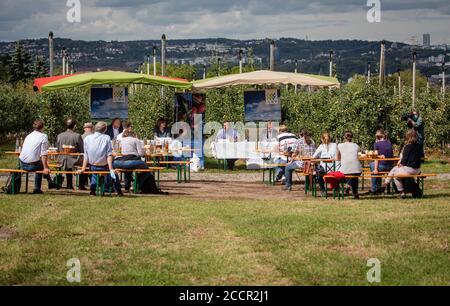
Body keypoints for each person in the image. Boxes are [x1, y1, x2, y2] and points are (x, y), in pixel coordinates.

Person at [81, 121, 123, 196]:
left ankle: (92, 190)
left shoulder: (87, 138)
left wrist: (83, 169)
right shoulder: (106, 137)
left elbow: (86, 156)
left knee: (94, 173)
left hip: (92, 165)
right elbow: (109, 155)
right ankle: (119, 191)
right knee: (114, 173)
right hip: (104, 166)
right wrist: (111, 169)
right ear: (105, 129)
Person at [382, 130, 422, 198]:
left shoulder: (407, 146)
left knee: (395, 175)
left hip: (409, 169)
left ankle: (401, 192)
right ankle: (386, 182)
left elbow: (404, 160)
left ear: (408, 137)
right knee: (395, 169)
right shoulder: (419, 146)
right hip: (417, 169)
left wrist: (400, 164)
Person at [19, 120, 54, 194]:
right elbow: (44, 154)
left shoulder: (28, 135)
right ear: (42, 127)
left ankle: (50, 182)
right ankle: (38, 187)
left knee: (39, 163)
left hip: (22, 164)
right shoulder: (43, 136)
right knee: (41, 165)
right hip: (32, 165)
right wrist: (45, 168)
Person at [55, 118, 84, 190]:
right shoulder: (77, 136)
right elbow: (82, 150)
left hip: (61, 159)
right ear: (74, 126)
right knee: (86, 163)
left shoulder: (59, 135)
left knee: (67, 161)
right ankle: (81, 185)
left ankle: (69, 184)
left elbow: (58, 148)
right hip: (73, 159)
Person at [336, 131, 362, 199]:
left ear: (344, 137)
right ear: (352, 137)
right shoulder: (356, 145)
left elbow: (337, 158)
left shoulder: (339, 145)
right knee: (354, 174)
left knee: (345, 172)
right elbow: (358, 155)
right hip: (357, 171)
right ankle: (354, 191)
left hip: (344, 171)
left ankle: (348, 186)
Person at [368, 129, 394, 195]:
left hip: (382, 166)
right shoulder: (389, 143)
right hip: (390, 166)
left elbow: (376, 157)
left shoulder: (376, 144)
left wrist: (376, 169)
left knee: (372, 165)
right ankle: (378, 187)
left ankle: (374, 189)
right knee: (374, 165)